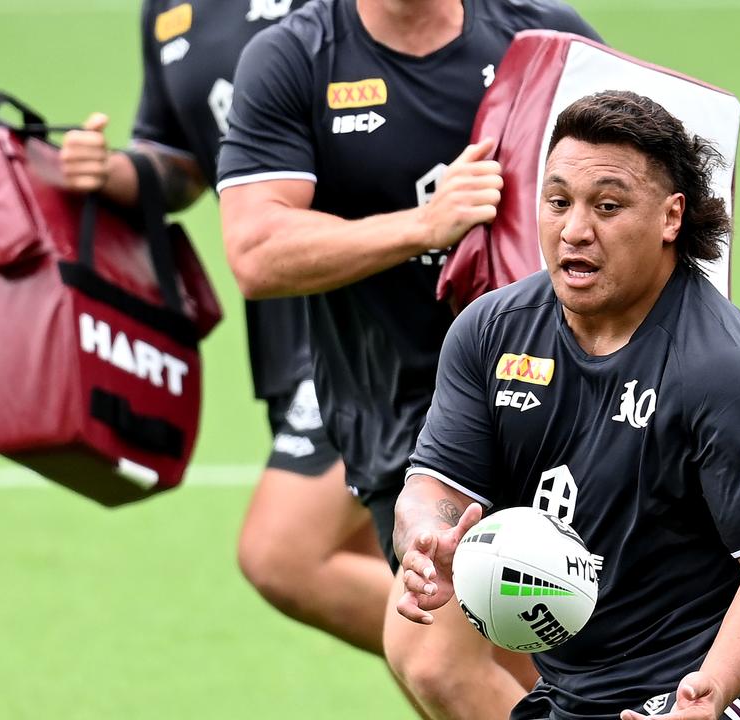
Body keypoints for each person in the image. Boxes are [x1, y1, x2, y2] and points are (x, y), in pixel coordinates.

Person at [215, 0, 601, 716]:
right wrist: (426, 226)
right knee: (526, 659)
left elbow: (647, 198)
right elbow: (257, 250)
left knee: (437, 658)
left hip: (546, 393)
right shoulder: (296, 57)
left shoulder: (543, 36)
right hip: (394, 414)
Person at [394, 90, 740, 720]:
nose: (574, 230)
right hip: (580, 693)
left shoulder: (722, 370)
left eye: (608, 206)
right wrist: (426, 535)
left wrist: (711, 690)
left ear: (671, 217)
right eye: (558, 201)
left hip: (717, 696)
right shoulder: (491, 332)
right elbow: (437, 485)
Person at [57, 0, 391, 659]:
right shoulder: (167, 9)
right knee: (396, 573)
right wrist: (117, 171)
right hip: (284, 325)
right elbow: (179, 157)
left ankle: (578, 676)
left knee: (285, 555)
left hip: (382, 321)